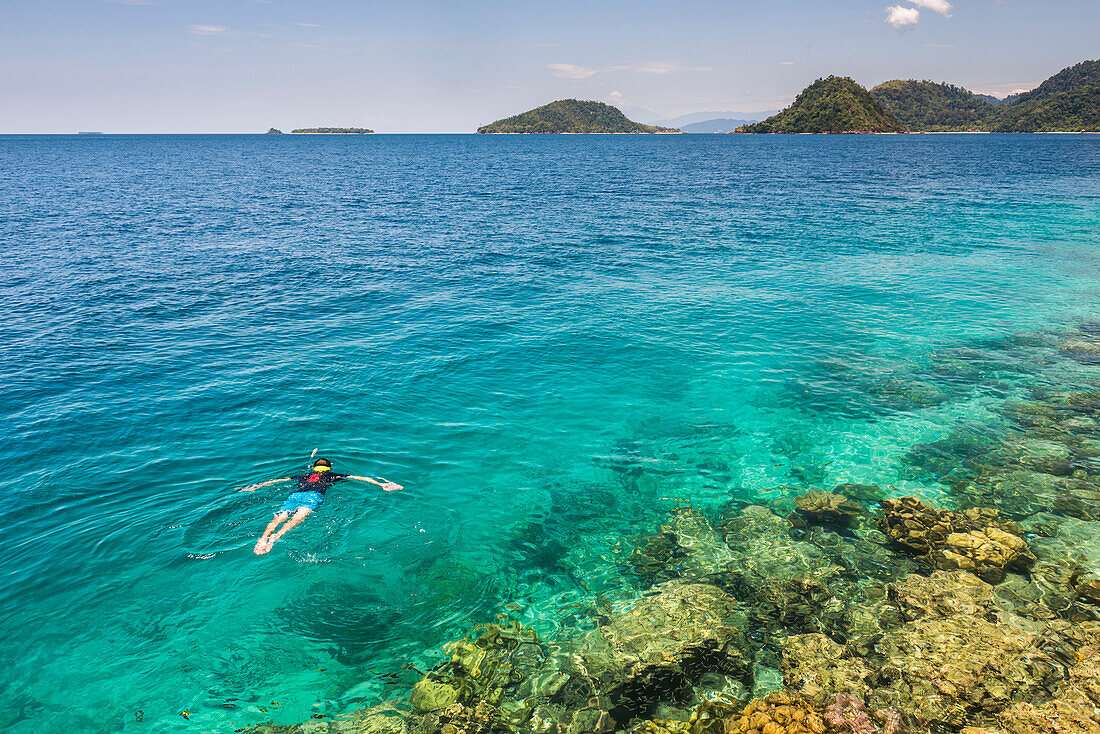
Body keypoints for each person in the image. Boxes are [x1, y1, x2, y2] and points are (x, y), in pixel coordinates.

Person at [240, 457, 403, 555]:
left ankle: (263, 538)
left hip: (295, 495)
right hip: (312, 496)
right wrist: (381, 484)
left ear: (314, 467)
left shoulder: (305, 475)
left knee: (279, 517)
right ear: (329, 468)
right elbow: (359, 477)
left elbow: (280, 480)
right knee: (297, 519)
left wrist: (257, 486)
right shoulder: (332, 475)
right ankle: (276, 538)